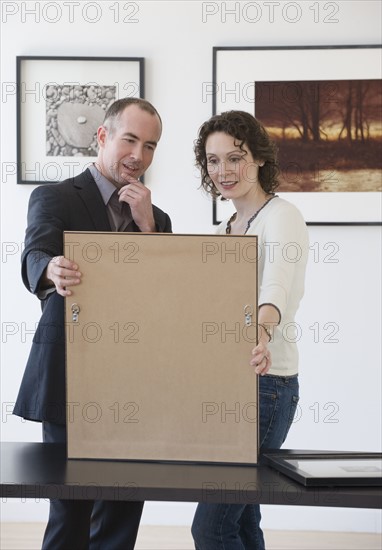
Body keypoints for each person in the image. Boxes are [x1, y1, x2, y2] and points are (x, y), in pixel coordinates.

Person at [13, 97, 172, 550]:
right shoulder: (56, 196)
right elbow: (33, 255)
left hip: (136, 380)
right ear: (102, 137)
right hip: (71, 375)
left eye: (150, 146)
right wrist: (50, 269)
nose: (138, 155)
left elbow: (170, 295)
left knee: (124, 509)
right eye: (130, 140)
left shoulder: (156, 219)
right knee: (70, 509)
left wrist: (147, 228)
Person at [191, 110, 309, 549]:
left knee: (211, 526)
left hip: (266, 386)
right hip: (229, 385)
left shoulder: (282, 216)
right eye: (213, 160)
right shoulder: (226, 231)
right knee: (241, 521)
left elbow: (274, 288)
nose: (223, 170)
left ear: (259, 158)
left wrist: (260, 332)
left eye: (235, 157)